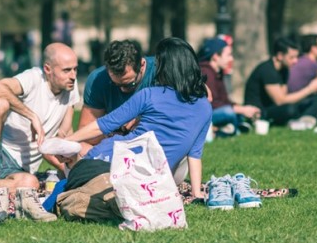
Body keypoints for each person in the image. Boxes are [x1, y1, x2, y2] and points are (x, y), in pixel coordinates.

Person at [59, 37, 211, 200]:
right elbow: (195, 154)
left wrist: (66, 141)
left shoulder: (149, 95)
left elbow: (104, 124)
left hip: (111, 164)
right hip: (156, 175)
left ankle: (63, 189)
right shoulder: (205, 109)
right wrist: (197, 193)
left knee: (75, 172)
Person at [0, 43, 80, 220]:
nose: (73, 76)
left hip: (14, 169)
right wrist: (32, 116)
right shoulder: (33, 78)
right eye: (67, 70)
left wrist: (71, 171)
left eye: (75, 70)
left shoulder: (70, 88)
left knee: (30, 183)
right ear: (48, 69)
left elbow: (65, 134)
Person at [78, 39, 157, 146]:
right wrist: (113, 131)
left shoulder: (160, 72)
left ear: (142, 65)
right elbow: (86, 133)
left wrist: (144, 120)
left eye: (129, 84)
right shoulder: (98, 79)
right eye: (116, 84)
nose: (123, 90)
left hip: (156, 141)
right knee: (80, 148)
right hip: (115, 143)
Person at [243, 37, 317, 126]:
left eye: (296, 57)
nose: (296, 61)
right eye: (291, 57)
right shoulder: (268, 70)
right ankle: (304, 117)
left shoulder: (284, 70)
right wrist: (310, 89)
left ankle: (305, 118)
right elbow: (280, 101)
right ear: (280, 56)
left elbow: (285, 96)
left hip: (277, 108)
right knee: (290, 109)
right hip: (261, 112)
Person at [198, 37, 260, 135]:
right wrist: (241, 110)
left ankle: (226, 129)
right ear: (215, 57)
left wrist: (243, 108)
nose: (231, 59)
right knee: (229, 112)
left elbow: (224, 100)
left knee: (237, 112)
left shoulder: (218, 72)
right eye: (228, 55)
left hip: (216, 112)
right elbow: (211, 104)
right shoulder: (205, 72)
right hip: (204, 115)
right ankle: (224, 129)